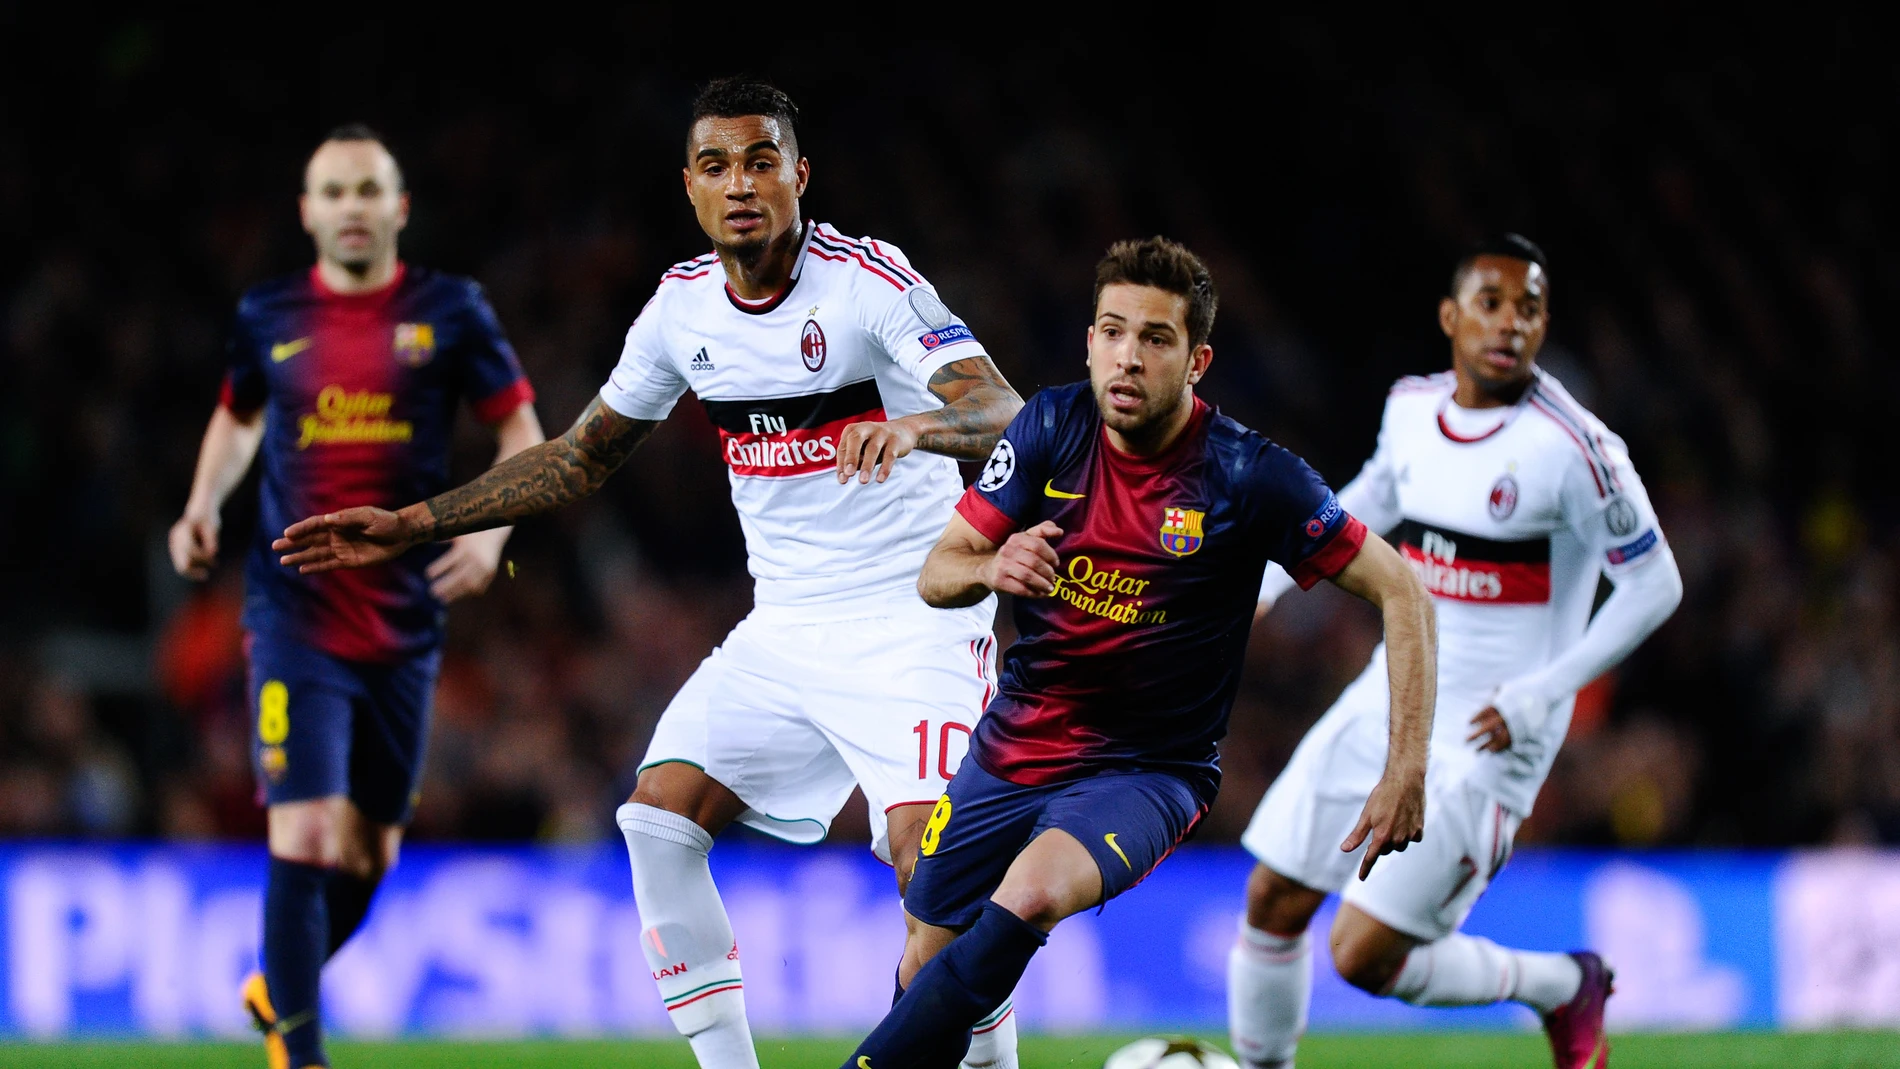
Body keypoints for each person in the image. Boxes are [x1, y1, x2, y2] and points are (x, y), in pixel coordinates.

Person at [272, 78, 1026, 1069]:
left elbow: (1005, 409)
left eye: (762, 161)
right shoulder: (681, 310)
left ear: (801, 175)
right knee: (656, 819)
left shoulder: (866, 285)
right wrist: (412, 522)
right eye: (716, 167)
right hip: (786, 627)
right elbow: (583, 455)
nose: (741, 184)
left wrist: (915, 425)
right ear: (689, 187)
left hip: (916, 615)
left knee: (933, 879)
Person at [838, 236, 1438, 1069]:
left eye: (1155, 338)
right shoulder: (1050, 424)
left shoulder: (1249, 476)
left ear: (1197, 360)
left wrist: (1407, 765)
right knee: (926, 951)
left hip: (1149, 766)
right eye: (1113, 332)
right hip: (1020, 738)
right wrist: (991, 563)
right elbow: (940, 574)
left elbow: (1401, 588)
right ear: (1089, 340)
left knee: (1032, 894)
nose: (1128, 356)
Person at [1227, 235, 1684, 1069]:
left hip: (1492, 730)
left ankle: (1557, 983)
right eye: (1492, 303)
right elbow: (1370, 498)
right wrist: (1270, 584)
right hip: (1392, 694)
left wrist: (1548, 690)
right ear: (1451, 315)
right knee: (1272, 896)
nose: (1511, 323)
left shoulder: (1576, 449)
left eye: (1530, 308)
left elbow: (1657, 584)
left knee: (1362, 954)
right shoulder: (1410, 405)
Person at [167, 125, 544, 1069]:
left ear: (398, 207)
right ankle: (301, 1049)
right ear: (307, 211)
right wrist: (200, 504)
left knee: (371, 852)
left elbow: (521, 428)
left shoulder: (451, 311)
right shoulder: (269, 312)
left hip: (405, 620)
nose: (350, 208)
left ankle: (276, 985)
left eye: (367, 190)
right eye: (332, 192)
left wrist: (490, 530)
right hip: (293, 611)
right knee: (304, 825)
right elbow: (239, 414)